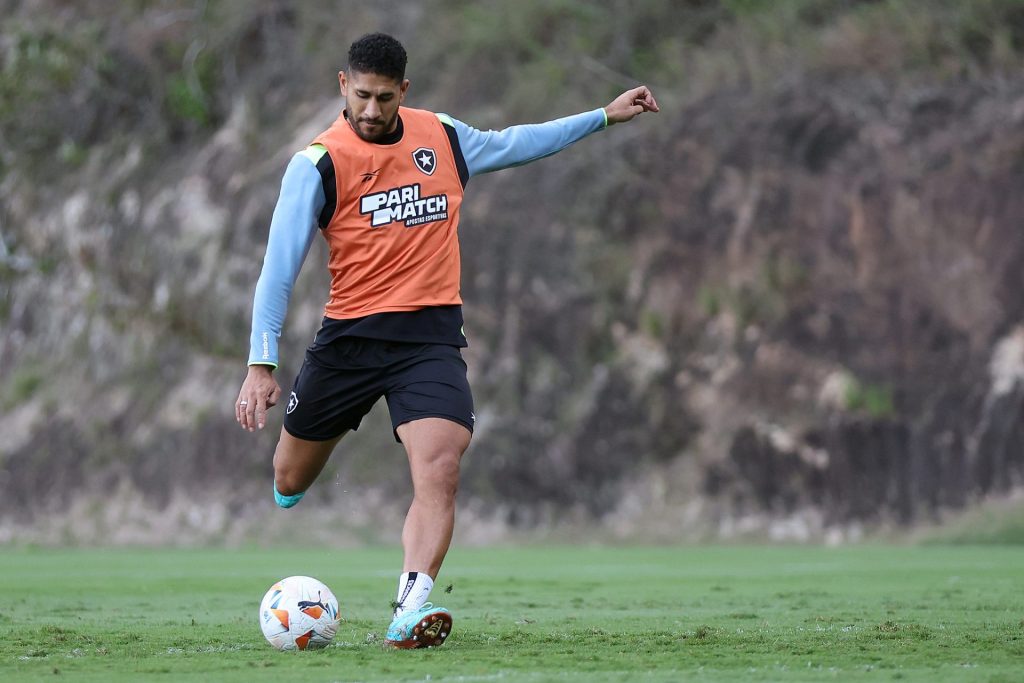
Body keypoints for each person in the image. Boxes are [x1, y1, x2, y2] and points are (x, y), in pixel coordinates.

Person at [234, 32, 658, 648]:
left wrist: (601, 118)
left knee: (440, 469)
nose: (372, 111)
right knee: (290, 479)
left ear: (404, 91)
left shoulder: (443, 137)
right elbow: (279, 266)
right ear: (342, 87)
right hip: (349, 341)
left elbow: (517, 142)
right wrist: (260, 363)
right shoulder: (318, 163)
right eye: (361, 96)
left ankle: (409, 610)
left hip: (428, 341)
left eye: (384, 97)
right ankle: (292, 479)